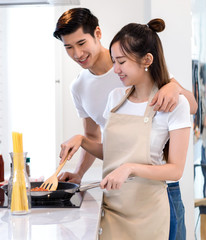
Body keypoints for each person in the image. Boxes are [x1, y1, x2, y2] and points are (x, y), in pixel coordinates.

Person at [53, 8, 197, 240]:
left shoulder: (164, 95)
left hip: (156, 197)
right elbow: (107, 147)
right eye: (68, 47)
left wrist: (174, 86)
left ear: (97, 33)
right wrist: (80, 148)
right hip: (117, 200)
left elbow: (190, 108)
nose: (77, 53)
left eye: (81, 43)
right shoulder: (101, 93)